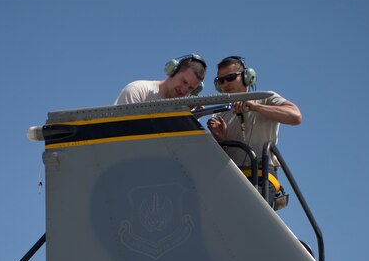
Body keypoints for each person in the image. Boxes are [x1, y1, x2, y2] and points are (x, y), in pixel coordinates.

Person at [207, 56, 302, 207]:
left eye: (230, 78)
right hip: (232, 178)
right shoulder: (220, 113)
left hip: (261, 176)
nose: (225, 84)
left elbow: (295, 116)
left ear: (247, 77)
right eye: (221, 81)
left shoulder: (265, 99)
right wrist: (221, 139)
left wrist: (255, 107)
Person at [115, 54, 207, 104]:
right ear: (173, 71)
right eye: (184, 82)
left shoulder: (186, 109)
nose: (184, 90)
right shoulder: (138, 91)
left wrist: (189, 118)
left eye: (190, 88)